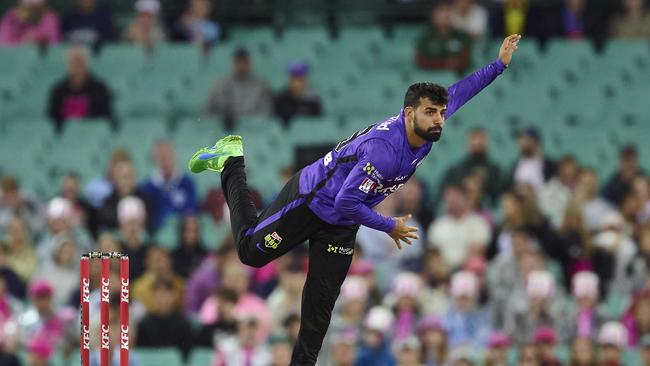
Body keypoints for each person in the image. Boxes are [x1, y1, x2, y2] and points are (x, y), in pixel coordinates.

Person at [188, 35, 521, 365]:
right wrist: (389, 225)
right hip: (311, 201)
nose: (439, 119)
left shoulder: (428, 128)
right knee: (249, 252)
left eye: (441, 113)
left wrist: (498, 65)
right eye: (430, 112)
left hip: (342, 225)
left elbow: (462, 91)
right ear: (408, 114)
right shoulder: (385, 152)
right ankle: (232, 160)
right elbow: (345, 201)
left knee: (319, 309)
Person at [47, 46, 113, 132]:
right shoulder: (58, 90)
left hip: (92, 132)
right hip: (64, 133)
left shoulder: (100, 89)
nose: (77, 65)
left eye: (80, 61)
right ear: (68, 64)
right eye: (74, 62)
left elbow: (106, 117)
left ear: (87, 63)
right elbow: (51, 117)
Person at [203, 46, 273, 124]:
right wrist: (221, 120)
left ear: (249, 62)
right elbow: (207, 111)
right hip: (225, 132)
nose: (242, 63)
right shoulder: (221, 84)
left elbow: (266, 113)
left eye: (244, 60)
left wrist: (245, 123)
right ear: (234, 62)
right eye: (239, 60)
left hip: (254, 131)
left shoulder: (261, 85)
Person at [427, 184, 491, 268]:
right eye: (449, 195)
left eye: (456, 195)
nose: (452, 199)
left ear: (466, 198)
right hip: (442, 271)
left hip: (468, 270)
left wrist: (456, 269)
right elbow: (433, 255)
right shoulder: (437, 226)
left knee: (465, 276)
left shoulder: (478, 223)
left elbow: (477, 252)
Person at [139, 141, 198, 231]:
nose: (166, 160)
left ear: (174, 156)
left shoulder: (187, 183)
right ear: (155, 159)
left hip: (183, 235)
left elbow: (192, 211)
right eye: (162, 157)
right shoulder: (148, 187)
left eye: (168, 156)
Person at [440, 128, 502, 205]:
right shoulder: (456, 170)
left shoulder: (495, 171)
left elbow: (499, 196)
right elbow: (445, 192)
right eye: (474, 140)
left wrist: (483, 183)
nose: (478, 143)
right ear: (468, 143)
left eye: (481, 141)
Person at [416, 1, 472, 72]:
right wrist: (446, 64)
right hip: (430, 77)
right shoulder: (424, 37)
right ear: (434, 15)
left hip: (456, 77)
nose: (445, 15)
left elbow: (466, 60)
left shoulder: (462, 36)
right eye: (441, 11)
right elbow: (421, 61)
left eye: (448, 11)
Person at [510, 127, 555, 192]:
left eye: (526, 139)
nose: (522, 142)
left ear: (535, 141)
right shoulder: (515, 165)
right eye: (520, 139)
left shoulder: (548, 165)